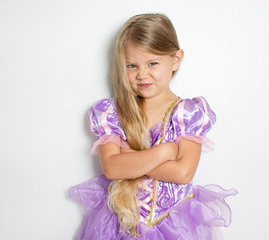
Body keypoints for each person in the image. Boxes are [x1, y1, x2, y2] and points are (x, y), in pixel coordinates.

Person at [69, 13, 237, 240]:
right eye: (132, 65)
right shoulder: (113, 113)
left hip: (175, 226)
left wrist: (130, 158)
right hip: (120, 225)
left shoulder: (187, 113)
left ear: (175, 60)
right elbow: (112, 168)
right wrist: (164, 152)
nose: (142, 74)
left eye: (152, 63)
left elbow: (183, 173)